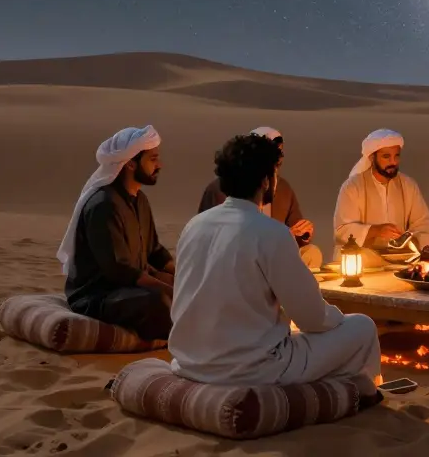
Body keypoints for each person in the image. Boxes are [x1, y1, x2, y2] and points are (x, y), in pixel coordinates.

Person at [170, 133, 383, 386]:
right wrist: (338, 319)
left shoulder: (194, 226)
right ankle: (366, 393)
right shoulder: (271, 232)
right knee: (362, 327)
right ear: (265, 181)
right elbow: (312, 318)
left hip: (189, 362)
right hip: (253, 368)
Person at [57, 125, 174, 342]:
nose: (159, 165)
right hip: (99, 295)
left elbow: (154, 252)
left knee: (182, 289)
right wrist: (168, 290)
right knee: (159, 302)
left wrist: (184, 277)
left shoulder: (140, 200)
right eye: (153, 159)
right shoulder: (104, 205)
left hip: (131, 287)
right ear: (130, 163)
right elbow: (119, 270)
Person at [196, 126, 323, 269]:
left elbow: (293, 228)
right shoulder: (220, 192)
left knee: (311, 252)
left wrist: (301, 232)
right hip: (242, 262)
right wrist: (283, 237)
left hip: (272, 255)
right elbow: (236, 246)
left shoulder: (283, 188)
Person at [333, 129, 429, 267]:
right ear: (372, 157)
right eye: (386, 156)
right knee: (357, 257)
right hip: (366, 254)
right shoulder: (352, 187)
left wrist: (408, 240)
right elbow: (342, 230)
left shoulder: (408, 185)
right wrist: (376, 231)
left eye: (397, 156)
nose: (393, 162)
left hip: (402, 255)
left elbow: (422, 224)